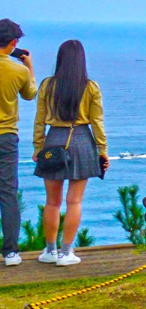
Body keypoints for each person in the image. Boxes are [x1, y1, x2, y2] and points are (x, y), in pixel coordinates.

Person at [32, 39, 108, 267]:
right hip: (82, 141)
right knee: (74, 201)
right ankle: (66, 253)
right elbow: (97, 122)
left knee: (52, 202)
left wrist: (38, 147)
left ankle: (49, 251)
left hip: (54, 139)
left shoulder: (47, 85)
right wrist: (102, 151)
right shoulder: (91, 86)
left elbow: (39, 121)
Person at [0, 19, 37, 267]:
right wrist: (29, 66)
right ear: (14, 43)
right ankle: (11, 252)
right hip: (6, 136)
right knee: (7, 192)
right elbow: (30, 94)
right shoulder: (18, 70)